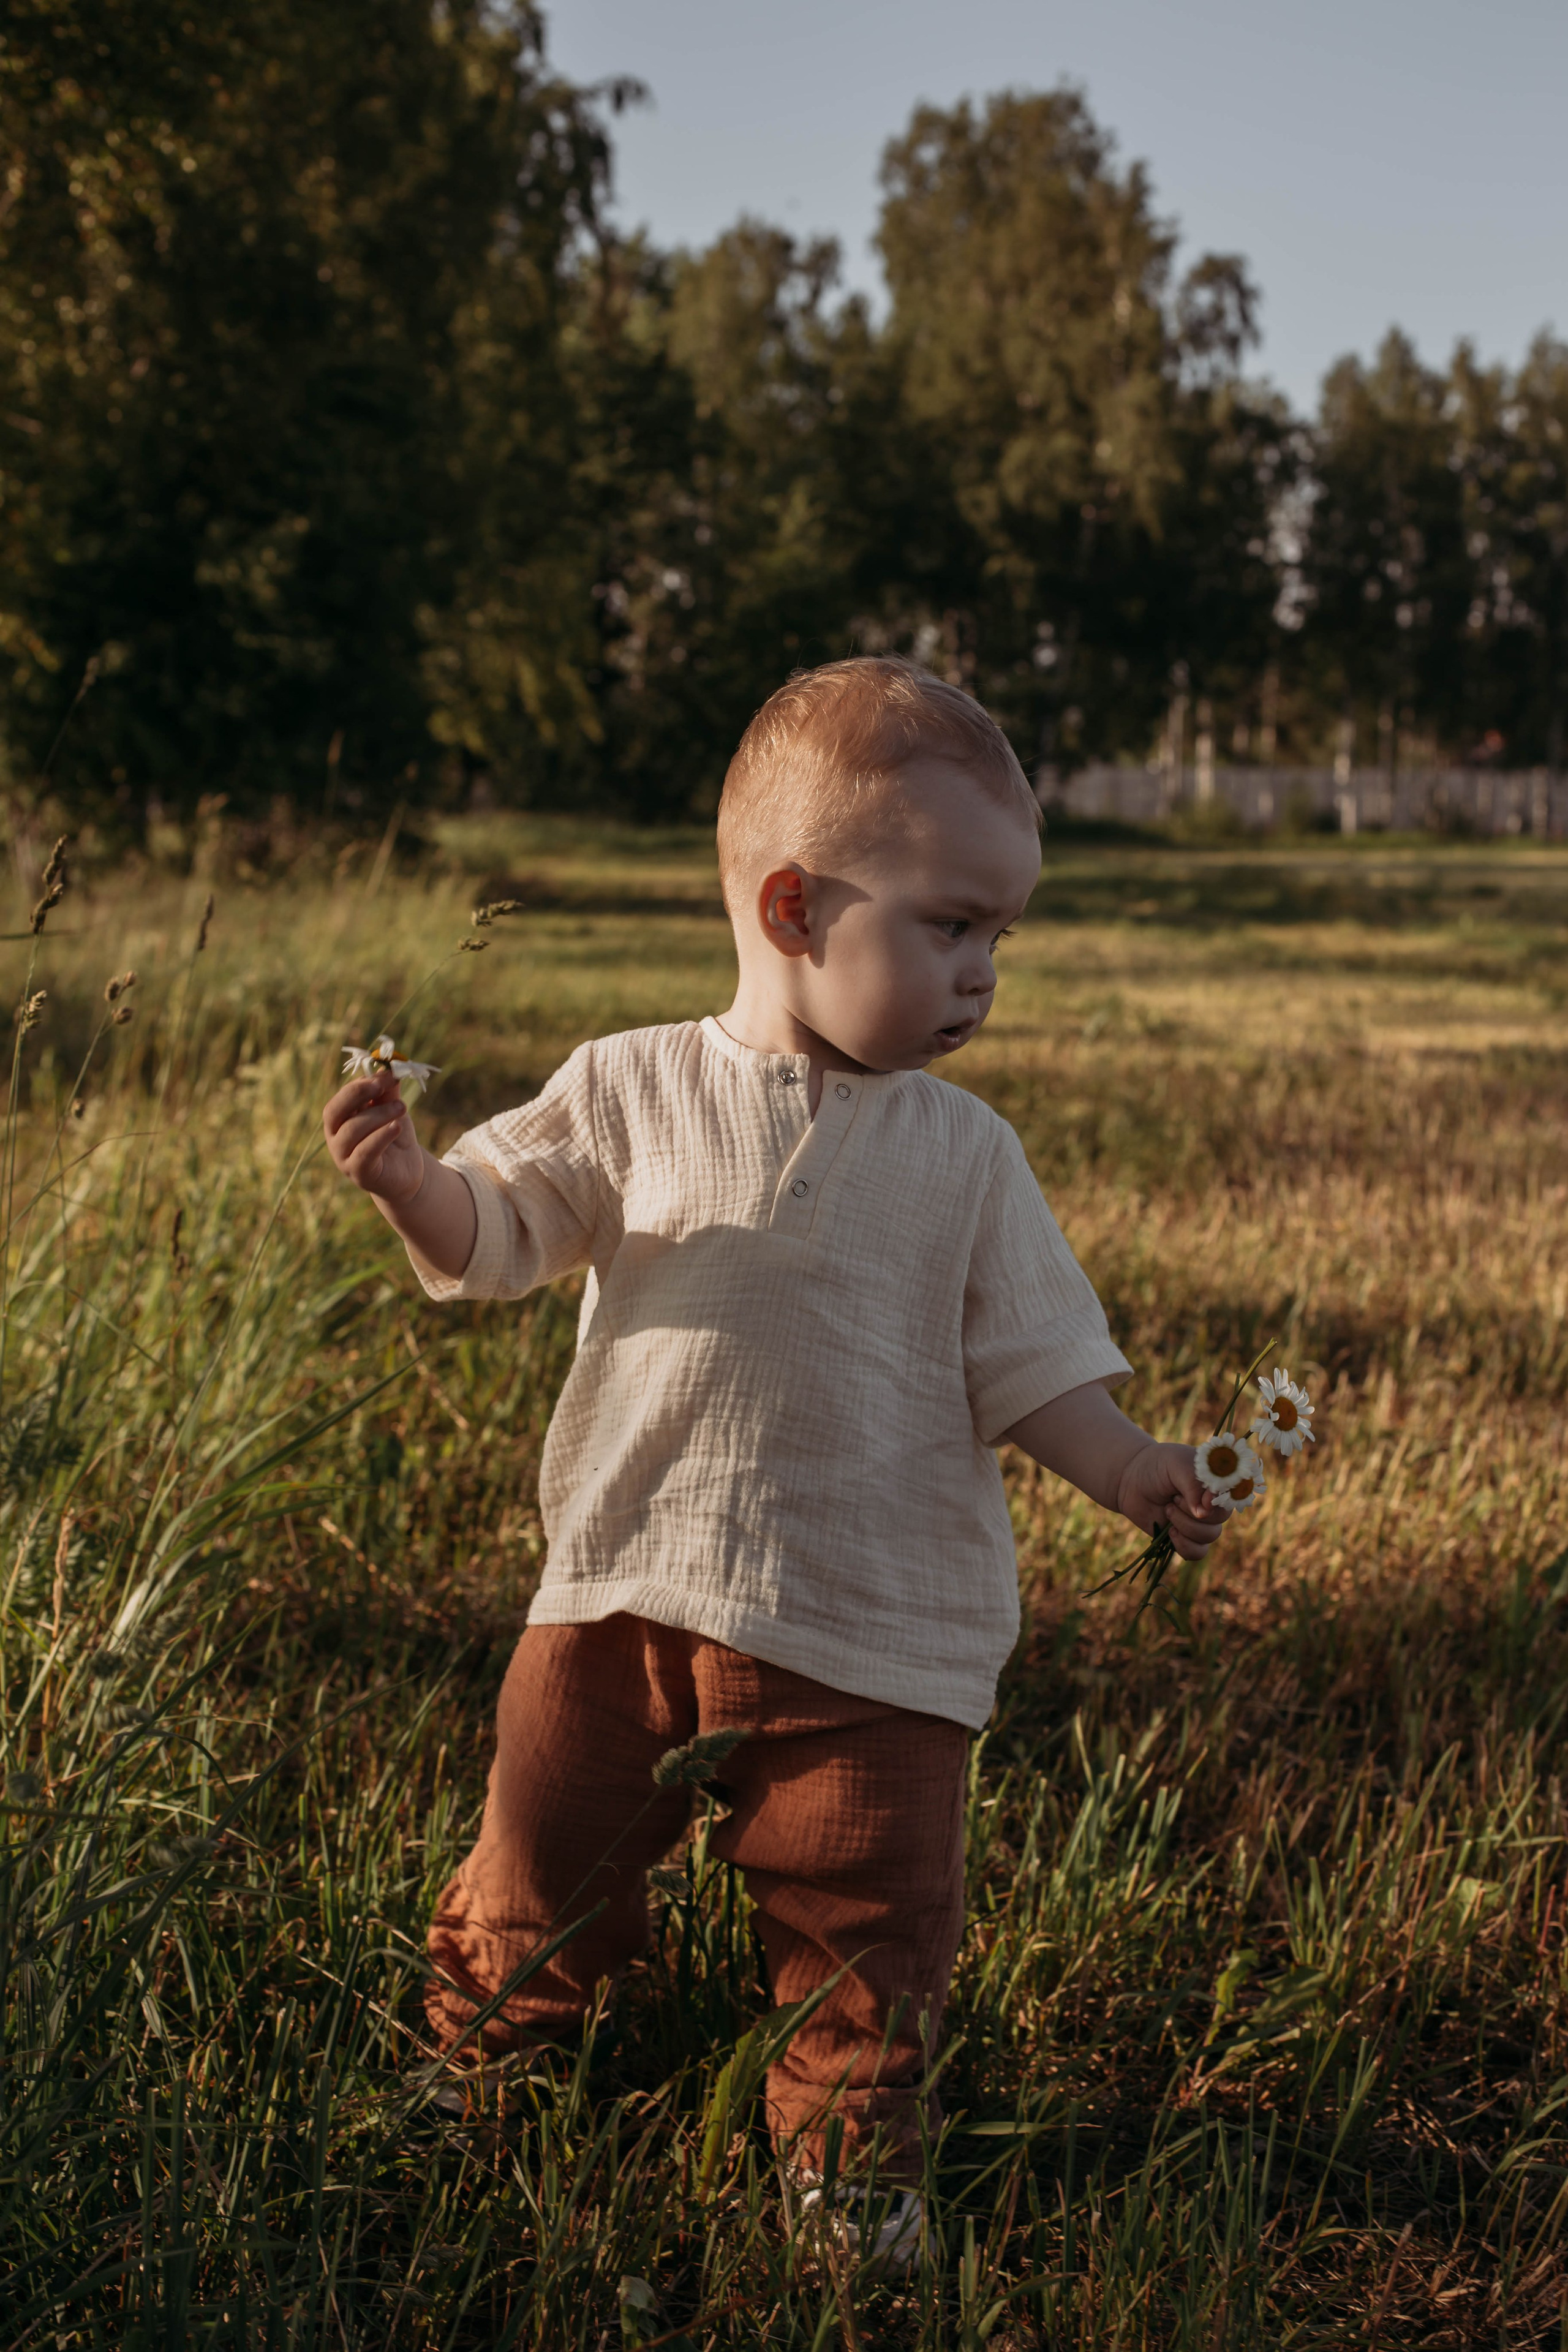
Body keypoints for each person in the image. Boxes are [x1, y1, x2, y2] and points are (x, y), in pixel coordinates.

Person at [322, 655, 1226, 2269]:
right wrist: (407, 1181)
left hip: (871, 1639)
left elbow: (1034, 1366)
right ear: (797, 908)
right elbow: (503, 1228)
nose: (984, 973)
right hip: (622, 1598)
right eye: (952, 926)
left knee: (869, 1925)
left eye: (999, 938)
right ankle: (476, 2069)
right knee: (542, 1863)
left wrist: (1132, 1464)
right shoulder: (628, 1085)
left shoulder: (967, 1155)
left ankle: (849, 2163)